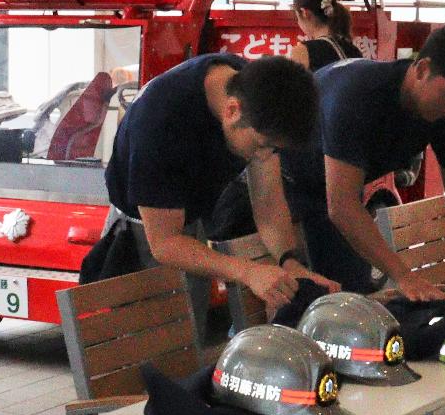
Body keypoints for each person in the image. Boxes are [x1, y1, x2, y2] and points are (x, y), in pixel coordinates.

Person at [97, 53, 332, 308]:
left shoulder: (254, 91)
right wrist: (248, 272)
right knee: (155, 337)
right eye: (262, 146)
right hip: (140, 232)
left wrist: (290, 262)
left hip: (189, 221)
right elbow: (165, 243)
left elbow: (268, 201)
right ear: (232, 111)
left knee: (192, 333)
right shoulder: (161, 121)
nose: (265, 157)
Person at [318, 22, 445, 301]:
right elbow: (341, 205)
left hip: (339, 191)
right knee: (323, 300)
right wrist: (404, 276)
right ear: (422, 69)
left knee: (351, 296)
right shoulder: (357, 97)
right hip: (290, 179)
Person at [285, 0, 361, 74]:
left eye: (297, 16)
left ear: (305, 13)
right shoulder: (353, 49)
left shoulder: (302, 51)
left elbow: (294, 88)